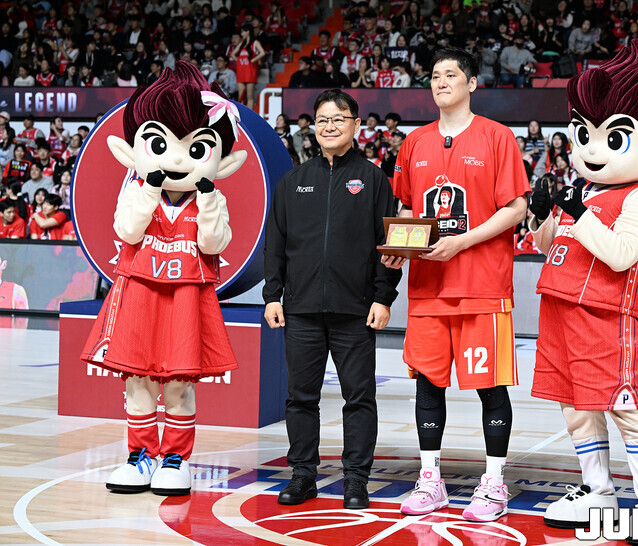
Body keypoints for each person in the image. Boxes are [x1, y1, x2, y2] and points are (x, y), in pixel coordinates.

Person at [527, 40, 638, 543]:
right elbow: (549, 245)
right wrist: (540, 216)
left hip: (610, 316)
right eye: (584, 134)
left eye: (614, 138)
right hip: (561, 308)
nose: (591, 150)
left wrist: (578, 215)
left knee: (626, 407)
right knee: (575, 406)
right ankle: (597, 489)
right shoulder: (584, 192)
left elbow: (621, 254)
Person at [79, 62, 247, 497]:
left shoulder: (211, 199)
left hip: (187, 299)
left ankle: (175, 459)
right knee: (137, 382)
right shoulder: (136, 190)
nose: (175, 159)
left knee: (178, 384)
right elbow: (128, 231)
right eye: (160, 143)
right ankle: (140, 455)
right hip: (139, 293)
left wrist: (207, 198)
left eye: (195, 148)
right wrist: (148, 189)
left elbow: (213, 243)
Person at [383, 47, 530, 523]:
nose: (441, 81)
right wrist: (399, 246)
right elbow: (408, 208)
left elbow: (516, 208)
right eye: (434, 75)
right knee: (428, 384)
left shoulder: (497, 136)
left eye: (451, 74)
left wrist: (462, 241)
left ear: (471, 84)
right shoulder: (414, 142)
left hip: (482, 285)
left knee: (490, 387)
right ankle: (431, 480)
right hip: (428, 287)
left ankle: (494, 483)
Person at [263, 88, 402, 511]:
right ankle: (303, 475)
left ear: (355, 125)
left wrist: (383, 297)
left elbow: (389, 244)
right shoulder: (293, 181)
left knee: (358, 398)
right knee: (300, 398)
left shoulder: (374, 180)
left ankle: (356, 479)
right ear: (313, 127)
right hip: (301, 309)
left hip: (355, 311)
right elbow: (276, 244)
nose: (329, 126)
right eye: (322, 119)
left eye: (338, 119)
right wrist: (272, 296)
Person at [231, 24, 265, 109]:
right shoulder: (242, 44)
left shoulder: (255, 43)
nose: (241, 34)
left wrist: (253, 60)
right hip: (241, 71)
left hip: (250, 71)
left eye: (243, 32)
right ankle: (241, 114)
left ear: (248, 32)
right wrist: (238, 61)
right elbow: (232, 54)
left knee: (250, 96)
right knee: (241, 96)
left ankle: (249, 114)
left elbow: (262, 53)